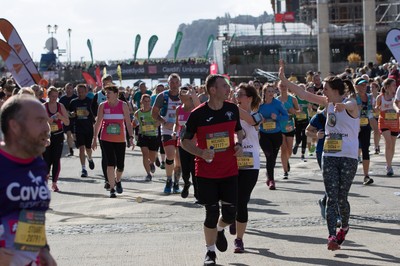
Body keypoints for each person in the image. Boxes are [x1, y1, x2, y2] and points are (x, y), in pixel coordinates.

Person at [280, 60, 359, 251]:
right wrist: (284, 80)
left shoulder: (351, 103)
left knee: (342, 197)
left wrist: (343, 106)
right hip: (330, 155)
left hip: (348, 156)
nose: (322, 92)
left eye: (325, 89)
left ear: (335, 89)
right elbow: (304, 94)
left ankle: (345, 226)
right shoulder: (326, 103)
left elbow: (350, 104)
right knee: (331, 197)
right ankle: (332, 235)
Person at [181, 74, 243, 266]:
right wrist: (200, 152)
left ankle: (220, 229)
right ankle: (210, 253)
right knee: (211, 212)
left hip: (230, 170)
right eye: (224, 86)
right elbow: (183, 141)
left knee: (231, 214)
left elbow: (239, 130)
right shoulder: (197, 114)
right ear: (213, 90)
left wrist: (240, 144)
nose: (228, 89)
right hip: (206, 173)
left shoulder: (232, 109)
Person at [0, 94, 56, 265]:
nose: (47, 128)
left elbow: (31, 213)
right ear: (14, 126)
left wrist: (43, 250)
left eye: (46, 121)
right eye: (39, 121)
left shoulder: (37, 164)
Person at [229, 82, 261, 253]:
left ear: (249, 98)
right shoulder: (229, 114)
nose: (237, 97)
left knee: (242, 201)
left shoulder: (257, 115)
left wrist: (231, 107)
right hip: (231, 162)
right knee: (230, 199)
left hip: (251, 164)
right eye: (236, 94)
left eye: (240, 94)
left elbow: (251, 121)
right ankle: (232, 216)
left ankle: (239, 240)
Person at [92, 84, 134, 198]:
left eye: (109, 93)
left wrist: (131, 137)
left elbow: (128, 123)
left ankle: (118, 179)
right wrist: (94, 138)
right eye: (106, 93)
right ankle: (112, 188)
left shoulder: (123, 105)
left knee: (120, 165)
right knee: (110, 163)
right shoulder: (102, 106)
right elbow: (98, 123)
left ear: (116, 94)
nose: (107, 95)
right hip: (106, 138)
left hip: (120, 139)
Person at [152, 73, 182, 194]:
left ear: (179, 83)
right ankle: (169, 180)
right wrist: (164, 122)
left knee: (179, 160)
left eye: (176, 82)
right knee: (170, 155)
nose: (174, 85)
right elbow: (154, 114)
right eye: (171, 83)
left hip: (181, 131)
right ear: (168, 84)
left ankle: (176, 183)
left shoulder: (184, 96)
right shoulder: (162, 96)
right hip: (167, 130)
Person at [258, 83, 289, 190]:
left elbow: (286, 116)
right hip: (264, 134)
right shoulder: (259, 104)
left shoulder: (278, 103)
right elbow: (254, 116)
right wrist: (260, 119)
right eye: (269, 91)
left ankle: (269, 173)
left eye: (272, 91)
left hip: (276, 134)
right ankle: (271, 180)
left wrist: (277, 117)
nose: (271, 93)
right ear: (264, 93)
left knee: (273, 158)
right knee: (269, 155)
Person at [173, 86, 200, 199]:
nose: (180, 96)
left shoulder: (195, 108)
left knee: (194, 169)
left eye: (182, 93)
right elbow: (177, 123)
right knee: (185, 170)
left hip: (195, 144)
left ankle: (197, 193)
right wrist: (174, 131)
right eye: (179, 94)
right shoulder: (179, 109)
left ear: (189, 95)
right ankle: (186, 183)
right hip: (182, 143)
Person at [43, 86, 70, 192]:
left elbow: (67, 122)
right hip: (46, 136)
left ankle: (54, 183)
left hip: (58, 135)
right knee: (46, 160)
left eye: (56, 96)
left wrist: (61, 117)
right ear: (48, 96)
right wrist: (47, 121)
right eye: (52, 96)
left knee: (56, 159)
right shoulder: (43, 107)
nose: (54, 98)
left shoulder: (60, 106)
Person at [69, 84, 96, 177]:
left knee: (88, 149)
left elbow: (95, 116)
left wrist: (89, 114)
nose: (80, 94)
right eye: (78, 92)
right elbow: (70, 114)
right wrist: (72, 114)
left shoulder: (90, 101)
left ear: (86, 92)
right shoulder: (73, 102)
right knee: (81, 149)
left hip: (88, 128)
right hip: (78, 128)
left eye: (82, 92)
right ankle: (83, 169)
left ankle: (90, 158)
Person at [277, 80, 300, 178]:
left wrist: (293, 111)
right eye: (281, 86)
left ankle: (286, 160)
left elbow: (299, 112)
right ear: (278, 87)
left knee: (289, 150)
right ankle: (285, 171)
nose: (283, 87)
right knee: (283, 149)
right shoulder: (276, 100)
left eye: (285, 85)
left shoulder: (293, 99)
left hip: (290, 126)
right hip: (279, 127)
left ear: (287, 87)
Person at [134, 94, 159, 181]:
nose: (147, 103)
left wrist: (156, 124)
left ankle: (151, 162)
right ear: (141, 102)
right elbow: (134, 123)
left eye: (148, 101)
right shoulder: (138, 113)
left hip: (153, 136)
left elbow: (160, 121)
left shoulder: (154, 111)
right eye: (145, 101)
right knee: (145, 154)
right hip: (143, 135)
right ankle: (148, 174)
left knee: (151, 156)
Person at [376, 78, 398, 176]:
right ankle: (389, 167)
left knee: (392, 146)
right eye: (393, 85)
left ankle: (389, 163)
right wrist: (377, 109)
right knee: (388, 143)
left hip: (395, 123)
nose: (395, 87)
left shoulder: (397, 97)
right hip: (384, 122)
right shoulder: (380, 97)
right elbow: (376, 112)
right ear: (387, 87)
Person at [354, 77, 374, 185]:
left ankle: (366, 176)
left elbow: (370, 112)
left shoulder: (369, 97)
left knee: (365, 149)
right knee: (353, 149)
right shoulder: (353, 97)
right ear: (356, 86)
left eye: (365, 85)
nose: (364, 87)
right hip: (353, 127)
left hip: (365, 126)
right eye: (361, 85)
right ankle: (349, 173)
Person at [59, 82, 77, 156]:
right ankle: (71, 150)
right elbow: (59, 109)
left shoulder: (76, 97)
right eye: (67, 88)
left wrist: (74, 113)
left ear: (73, 89)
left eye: (70, 88)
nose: (69, 90)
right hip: (66, 119)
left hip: (75, 119)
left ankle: (76, 142)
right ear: (65, 89)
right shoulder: (62, 99)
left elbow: (79, 108)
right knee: (68, 134)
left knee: (74, 135)